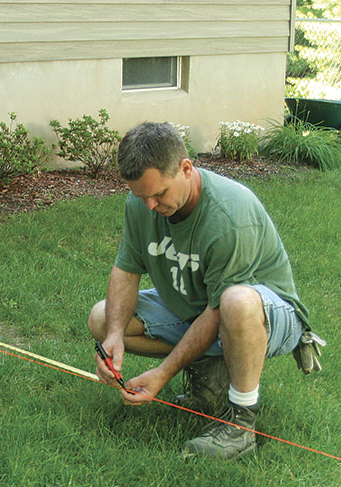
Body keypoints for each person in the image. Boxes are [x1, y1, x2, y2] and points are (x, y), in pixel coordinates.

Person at [89, 121, 323, 460]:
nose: (151, 206)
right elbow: (126, 270)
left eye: (159, 194)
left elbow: (217, 312)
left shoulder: (229, 215)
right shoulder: (139, 204)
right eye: (142, 196)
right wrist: (113, 336)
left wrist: (163, 373)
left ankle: (240, 425)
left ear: (186, 168)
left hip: (269, 315)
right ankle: (210, 376)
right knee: (102, 317)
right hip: (197, 307)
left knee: (236, 301)